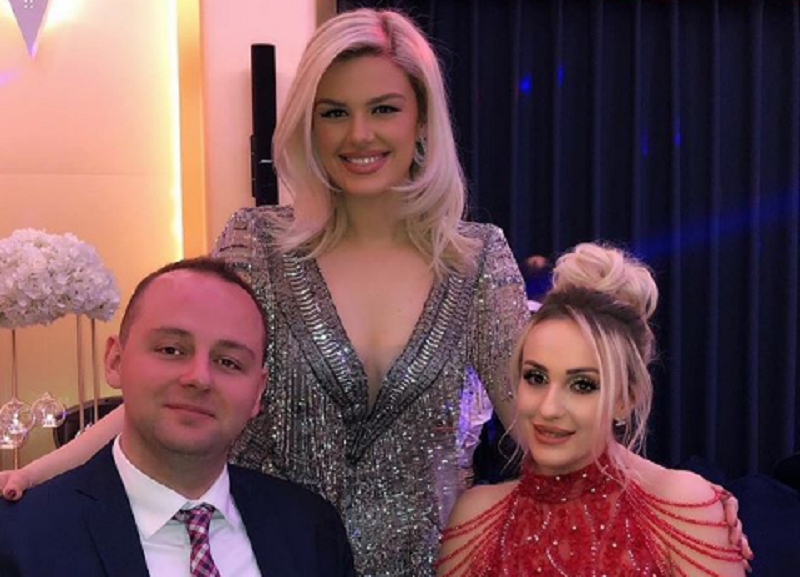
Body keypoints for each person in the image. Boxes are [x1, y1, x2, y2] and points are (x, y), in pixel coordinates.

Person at [0, 9, 746, 576]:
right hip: (272, 557)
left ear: (422, 120)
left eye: (383, 108)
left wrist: (682, 497)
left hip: (428, 563)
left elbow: (544, 416)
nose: (359, 134)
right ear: (309, 124)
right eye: (335, 111)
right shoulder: (255, 243)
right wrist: (30, 475)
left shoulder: (475, 258)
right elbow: (179, 387)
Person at [0, 258, 355, 576]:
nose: (199, 378)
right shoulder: (20, 538)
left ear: (258, 392)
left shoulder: (311, 530)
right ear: (115, 361)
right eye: (171, 350)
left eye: (228, 362)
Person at [436, 243, 748, 576]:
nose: (549, 408)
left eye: (582, 385)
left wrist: (696, 502)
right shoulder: (476, 518)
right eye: (536, 378)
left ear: (624, 400)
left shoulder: (680, 507)